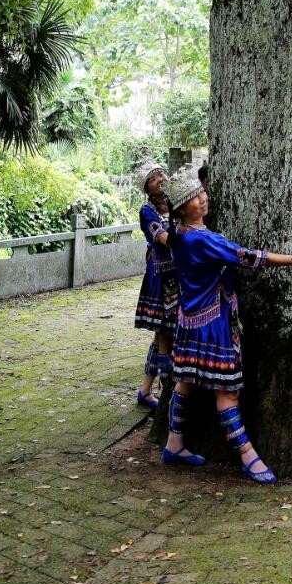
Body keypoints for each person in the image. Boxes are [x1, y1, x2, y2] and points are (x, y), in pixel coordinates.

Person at [161, 166, 292, 480]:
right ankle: (248, 456)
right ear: (181, 209)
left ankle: (174, 443)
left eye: (202, 193)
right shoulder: (202, 241)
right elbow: (248, 256)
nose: (202, 200)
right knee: (227, 392)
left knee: (186, 381)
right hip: (213, 324)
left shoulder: (178, 235)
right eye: (194, 198)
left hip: (188, 322)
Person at [134, 159, 178, 410]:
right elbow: (164, 238)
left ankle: (144, 390)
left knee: (159, 336)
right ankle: (167, 394)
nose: (160, 178)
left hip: (176, 273)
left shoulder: (174, 203)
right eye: (153, 178)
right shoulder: (147, 211)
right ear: (148, 188)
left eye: (161, 173)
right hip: (161, 277)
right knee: (165, 335)